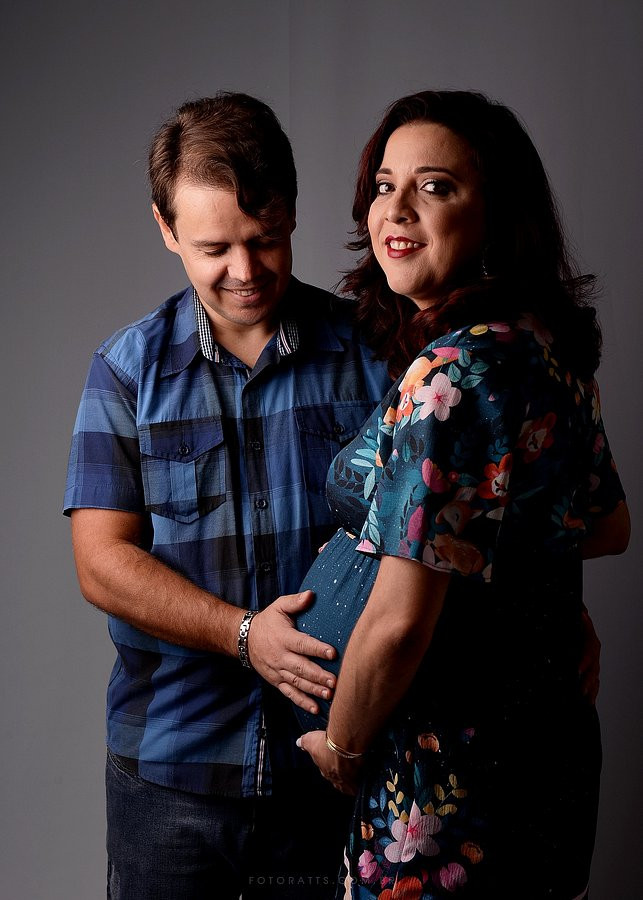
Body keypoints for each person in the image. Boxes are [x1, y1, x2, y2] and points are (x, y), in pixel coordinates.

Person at [297, 91, 630, 899]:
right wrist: (521, 598)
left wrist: (342, 748)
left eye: (435, 186)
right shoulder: (539, 347)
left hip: (441, 780)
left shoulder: (453, 372)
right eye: (384, 185)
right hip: (536, 752)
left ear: (495, 215)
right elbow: (601, 523)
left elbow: (401, 619)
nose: (396, 209)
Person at [63, 92, 392, 899]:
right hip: (168, 770)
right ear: (166, 228)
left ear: (291, 213)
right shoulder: (125, 371)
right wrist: (244, 636)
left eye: (264, 239)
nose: (244, 272)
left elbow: (442, 531)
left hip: (331, 765)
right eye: (214, 247)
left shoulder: (374, 354)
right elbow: (101, 562)